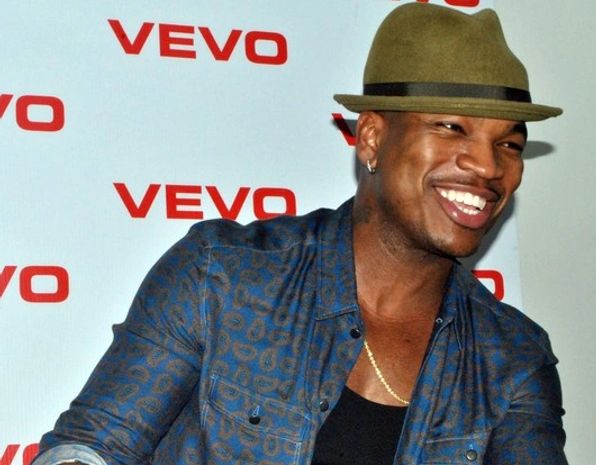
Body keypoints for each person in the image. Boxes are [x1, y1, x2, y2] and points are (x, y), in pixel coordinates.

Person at [33, 3, 566, 465]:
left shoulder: (512, 358)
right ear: (372, 138)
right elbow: (94, 446)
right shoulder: (223, 277)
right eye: (451, 128)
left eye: (510, 145)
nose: (488, 166)